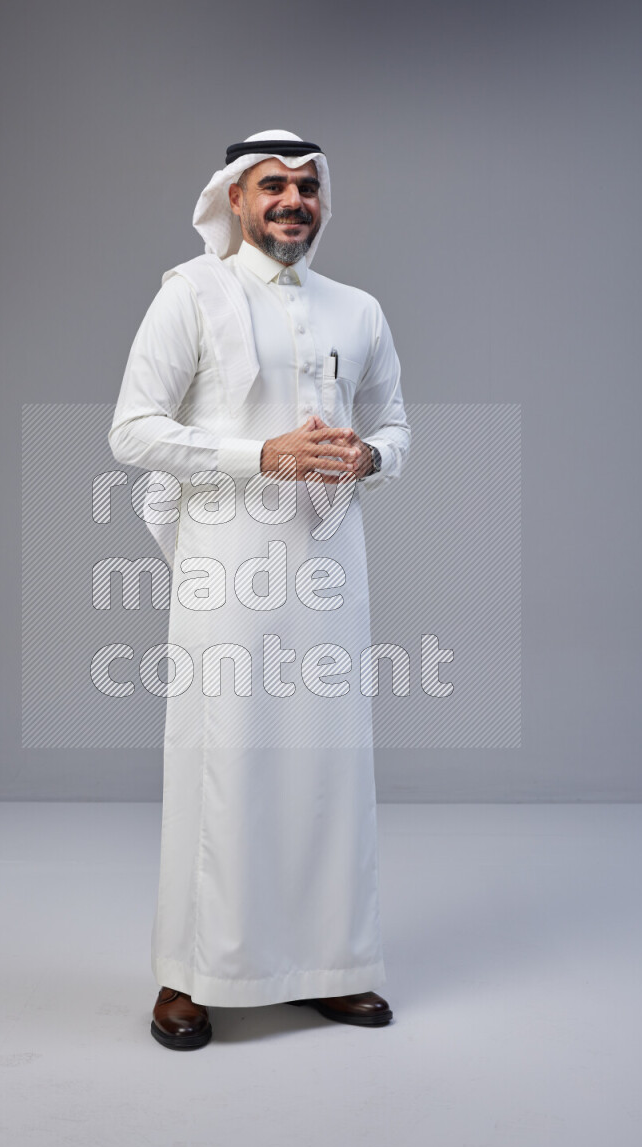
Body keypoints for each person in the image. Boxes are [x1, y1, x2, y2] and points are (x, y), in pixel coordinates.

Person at [108, 129, 411, 1049]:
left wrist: (369, 456)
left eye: (307, 187)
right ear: (235, 200)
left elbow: (396, 424)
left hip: (328, 571)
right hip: (226, 569)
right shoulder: (190, 295)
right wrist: (262, 454)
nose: (292, 201)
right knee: (223, 764)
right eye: (272, 185)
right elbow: (132, 430)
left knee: (328, 766)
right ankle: (189, 977)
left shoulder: (358, 309)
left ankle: (333, 965)